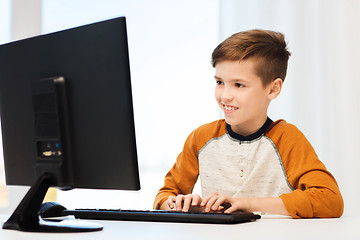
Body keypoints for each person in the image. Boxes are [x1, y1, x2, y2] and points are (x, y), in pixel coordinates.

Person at [153, 29, 344, 218]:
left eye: (239, 85)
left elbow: (330, 200)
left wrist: (247, 203)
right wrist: (175, 204)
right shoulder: (201, 138)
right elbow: (164, 196)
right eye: (220, 82)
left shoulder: (287, 138)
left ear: (273, 89)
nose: (225, 96)